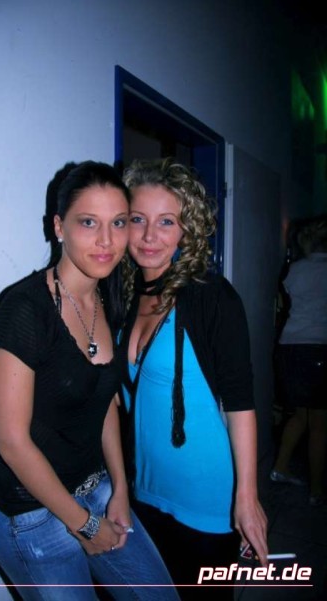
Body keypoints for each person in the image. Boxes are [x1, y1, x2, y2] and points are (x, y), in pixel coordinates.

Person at [0, 160, 180, 601]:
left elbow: (102, 400)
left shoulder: (110, 296)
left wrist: (120, 488)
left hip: (96, 489)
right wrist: (85, 525)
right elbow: (11, 442)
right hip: (31, 511)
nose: (107, 241)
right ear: (59, 227)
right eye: (89, 222)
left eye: (119, 223)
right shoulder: (24, 310)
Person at [117, 157, 268, 600]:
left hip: (205, 498)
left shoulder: (212, 297)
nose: (149, 236)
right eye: (138, 219)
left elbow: (239, 404)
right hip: (144, 491)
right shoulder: (125, 294)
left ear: (187, 229)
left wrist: (247, 497)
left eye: (167, 221)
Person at [271, 215, 327, 506]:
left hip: (291, 346)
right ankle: (317, 490)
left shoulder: (296, 268)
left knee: (301, 415)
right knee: (319, 422)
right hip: (317, 348)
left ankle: (280, 468)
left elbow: (290, 298)